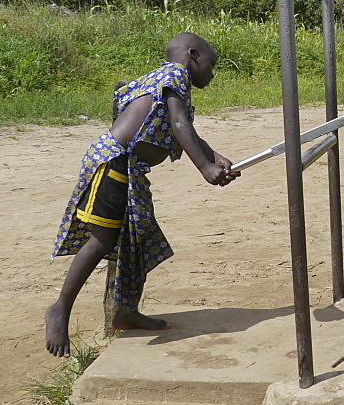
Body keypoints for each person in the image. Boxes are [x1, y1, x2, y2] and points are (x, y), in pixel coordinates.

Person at [45, 32, 239, 358]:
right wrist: (204, 167)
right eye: (212, 63)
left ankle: (125, 311)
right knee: (102, 240)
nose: (213, 72)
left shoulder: (165, 80)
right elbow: (178, 124)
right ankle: (60, 307)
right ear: (193, 55)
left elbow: (184, 128)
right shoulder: (176, 73)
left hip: (128, 169)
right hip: (114, 163)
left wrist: (214, 155)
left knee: (134, 240)